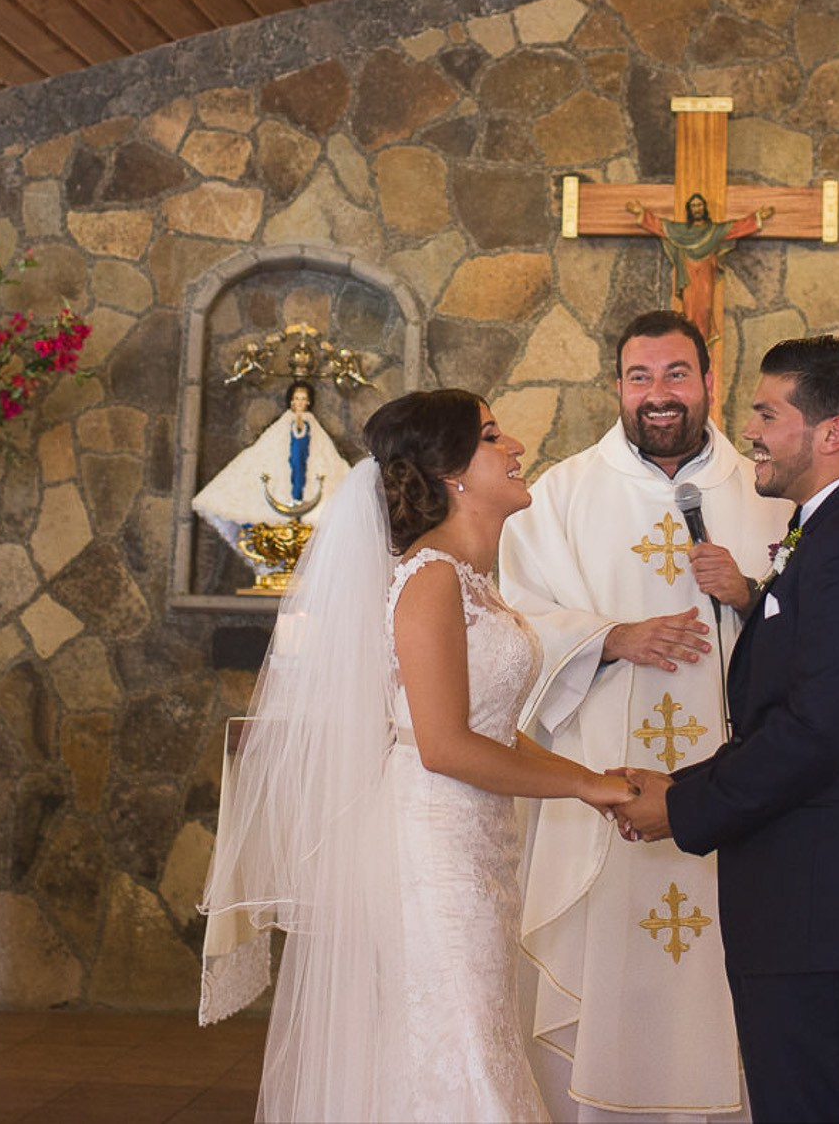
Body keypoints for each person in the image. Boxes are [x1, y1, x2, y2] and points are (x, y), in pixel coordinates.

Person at [199, 389, 632, 1122]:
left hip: (475, 846)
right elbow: (445, 746)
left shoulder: (469, 583)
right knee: (461, 1045)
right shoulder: (429, 580)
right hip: (434, 854)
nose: (516, 445)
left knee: (468, 1036)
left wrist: (595, 782)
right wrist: (586, 784)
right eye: (494, 436)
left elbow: (486, 730)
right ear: (451, 473)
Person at [612, 337, 839, 1124]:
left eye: (768, 412)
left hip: (826, 905)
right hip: (816, 901)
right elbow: (797, 713)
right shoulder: (826, 532)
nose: (750, 430)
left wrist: (682, 809)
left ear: (830, 432)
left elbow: (813, 735)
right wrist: (681, 785)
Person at [500, 311, 791, 1122]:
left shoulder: (768, 493)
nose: (658, 394)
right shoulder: (557, 494)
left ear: (708, 381)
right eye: (640, 377)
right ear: (617, 387)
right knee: (608, 966)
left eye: (675, 374)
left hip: (734, 795)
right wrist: (609, 637)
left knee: (726, 976)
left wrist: (749, 595)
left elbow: (814, 632)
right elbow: (512, 623)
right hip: (608, 785)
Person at [191, 379, 352, 552]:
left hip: (306, 472)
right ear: (291, 401)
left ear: (308, 402)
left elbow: (315, 450)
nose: (299, 402)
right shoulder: (283, 424)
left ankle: (298, 507)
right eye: (296, 398)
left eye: (303, 398)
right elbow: (269, 448)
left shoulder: (311, 426)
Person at [627, 192, 770, 345]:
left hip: (705, 273)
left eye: (699, 205)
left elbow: (734, 228)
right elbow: (662, 227)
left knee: (706, 308)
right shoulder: (681, 231)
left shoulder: (713, 231)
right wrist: (642, 213)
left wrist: (757, 217)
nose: (697, 208)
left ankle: (702, 342)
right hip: (688, 274)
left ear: (704, 208)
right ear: (690, 209)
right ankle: (691, 342)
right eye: (694, 205)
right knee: (689, 309)